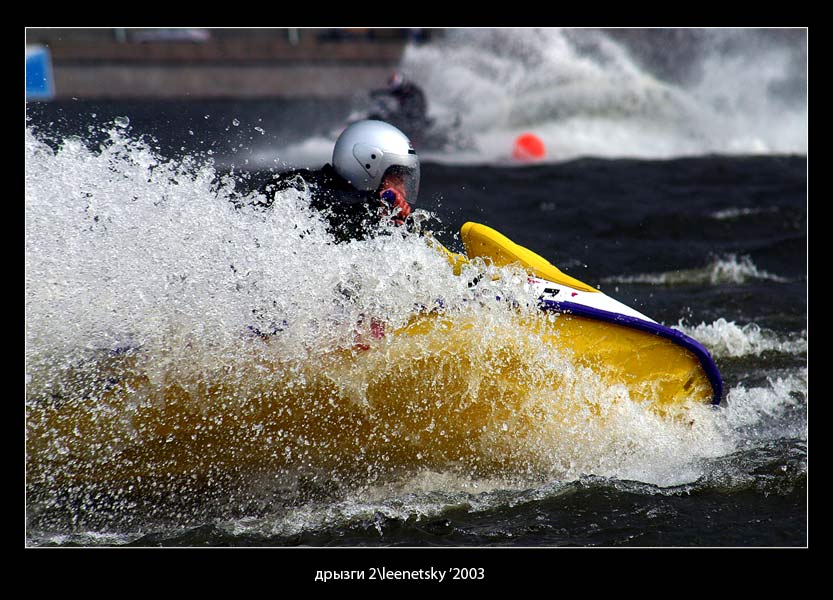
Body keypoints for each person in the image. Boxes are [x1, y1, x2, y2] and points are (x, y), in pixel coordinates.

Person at [260, 119, 419, 243]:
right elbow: (332, 208)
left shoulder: (364, 215)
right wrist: (373, 203)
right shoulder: (301, 187)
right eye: (397, 179)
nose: (403, 191)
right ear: (367, 164)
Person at [369, 72, 433, 136]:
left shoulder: (414, 93)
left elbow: (413, 108)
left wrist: (397, 113)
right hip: (406, 116)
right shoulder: (400, 90)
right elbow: (388, 92)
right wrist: (376, 93)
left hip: (414, 119)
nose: (395, 91)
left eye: (396, 89)